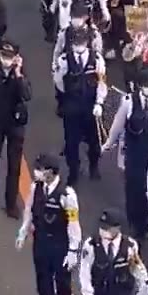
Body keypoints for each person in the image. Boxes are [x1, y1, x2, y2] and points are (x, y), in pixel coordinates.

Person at [15, 153, 81, 295]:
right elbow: (29, 211)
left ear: (51, 173)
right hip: (41, 243)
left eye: (41, 169)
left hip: (60, 246)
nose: (37, 172)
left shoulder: (67, 195)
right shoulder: (36, 188)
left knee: (63, 289)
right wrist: (23, 232)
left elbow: (73, 224)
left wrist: (73, 251)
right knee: (42, 279)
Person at [102, 66, 148, 238]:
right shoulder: (128, 101)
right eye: (147, 84)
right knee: (134, 190)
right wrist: (109, 142)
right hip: (134, 154)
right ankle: (135, 223)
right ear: (140, 86)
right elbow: (118, 125)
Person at [53, 25, 107, 185]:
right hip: (72, 105)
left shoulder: (96, 59)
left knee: (94, 140)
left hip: (91, 105)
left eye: (82, 42)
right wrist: (68, 96)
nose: (79, 45)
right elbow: (58, 81)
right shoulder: (63, 60)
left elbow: (102, 82)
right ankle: (74, 171)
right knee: (71, 142)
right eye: (76, 43)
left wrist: (99, 102)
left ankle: (94, 166)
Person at [0, 41, 31, 218]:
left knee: (14, 164)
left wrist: (18, 74)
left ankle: (11, 203)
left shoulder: (19, 75)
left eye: (10, 57)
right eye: (4, 56)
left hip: (15, 124)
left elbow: (27, 95)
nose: (6, 60)